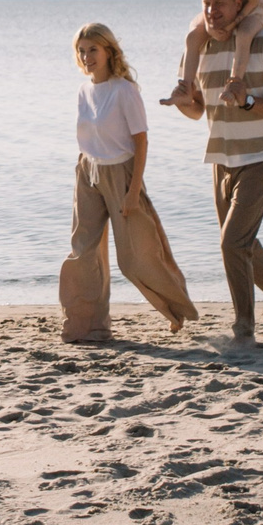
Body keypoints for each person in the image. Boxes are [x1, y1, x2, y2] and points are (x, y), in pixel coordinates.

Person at [164, 0, 263, 339]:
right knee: (242, 243)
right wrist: (184, 104)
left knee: (232, 243)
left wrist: (248, 101)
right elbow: (199, 110)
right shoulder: (201, 49)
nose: (212, 11)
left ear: (240, 5)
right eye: (206, 3)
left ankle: (244, 327)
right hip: (221, 159)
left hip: (262, 157)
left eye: (220, 3)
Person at [59, 23, 199, 344]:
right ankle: (87, 327)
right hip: (87, 172)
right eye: (82, 51)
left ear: (109, 50)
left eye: (93, 49)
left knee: (135, 257)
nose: (87, 56)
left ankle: (176, 310)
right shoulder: (84, 91)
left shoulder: (125, 90)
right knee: (83, 253)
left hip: (121, 174)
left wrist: (134, 191)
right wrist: (85, 171)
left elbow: (141, 141)